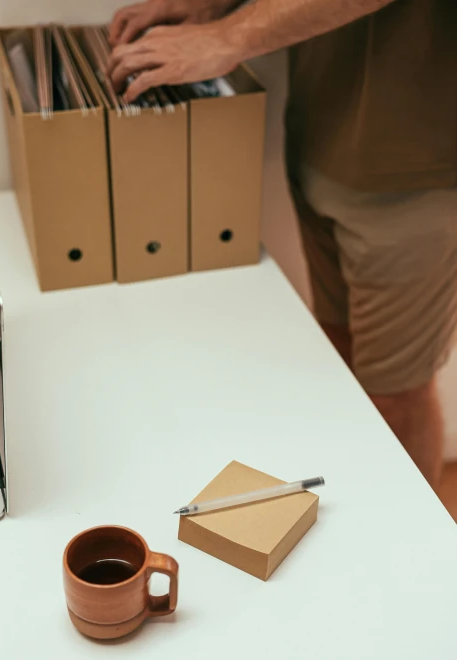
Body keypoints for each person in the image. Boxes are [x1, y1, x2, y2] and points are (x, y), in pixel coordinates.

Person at [108, 0, 457, 488]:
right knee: (339, 357)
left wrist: (230, 36)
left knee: (396, 394)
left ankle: (422, 557)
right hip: (323, 136)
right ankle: (369, 523)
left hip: (414, 167)